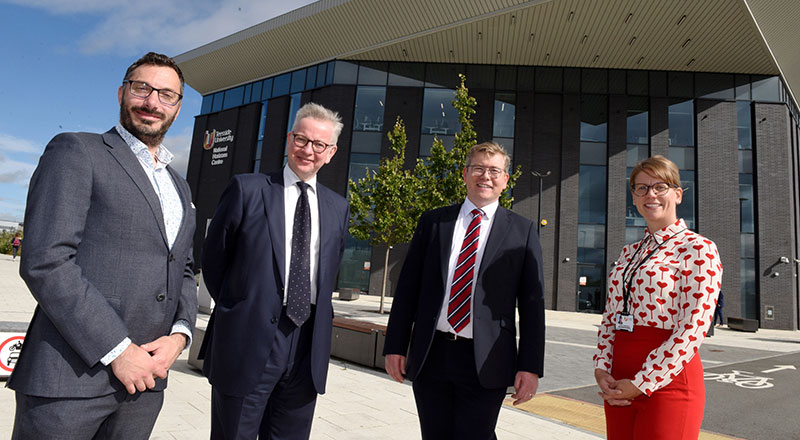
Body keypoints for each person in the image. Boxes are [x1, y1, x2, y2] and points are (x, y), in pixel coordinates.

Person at [9, 52, 197, 439]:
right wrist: (119, 350)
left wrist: (180, 335)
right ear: (121, 92)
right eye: (142, 88)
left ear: (178, 108)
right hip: (69, 382)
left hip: (144, 386)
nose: (152, 102)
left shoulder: (179, 185)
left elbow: (185, 268)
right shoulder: (76, 151)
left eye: (166, 94)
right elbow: (47, 261)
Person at [199, 102, 349, 439]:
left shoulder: (338, 207)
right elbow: (213, 261)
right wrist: (241, 305)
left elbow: (329, 271)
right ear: (288, 139)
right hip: (247, 339)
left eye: (318, 145)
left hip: (307, 345)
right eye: (301, 139)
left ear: (331, 152)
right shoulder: (247, 190)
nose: (307, 150)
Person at [383, 141, 546, 439]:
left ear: (505, 180)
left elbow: (533, 306)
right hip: (432, 354)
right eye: (479, 169)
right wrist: (394, 345)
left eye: (495, 171)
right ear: (465, 174)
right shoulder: (434, 222)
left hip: (487, 359)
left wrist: (530, 367)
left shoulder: (522, 230)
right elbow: (407, 288)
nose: (486, 176)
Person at [594, 155, 722, 440]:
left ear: (677, 194)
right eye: (641, 188)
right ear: (634, 197)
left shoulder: (698, 249)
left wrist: (642, 382)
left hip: (668, 381)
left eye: (659, 187)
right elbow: (610, 317)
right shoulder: (629, 252)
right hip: (618, 381)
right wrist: (602, 369)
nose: (650, 194)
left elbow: (693, 328)